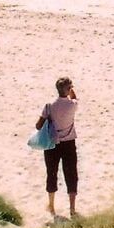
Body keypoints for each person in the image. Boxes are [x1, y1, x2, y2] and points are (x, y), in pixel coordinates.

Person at [35, 76, 79, 219]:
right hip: (69, 143)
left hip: (52, 143)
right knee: (71, 174)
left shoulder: (49, 106)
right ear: (68, 89)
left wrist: (49, 119)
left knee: (52, 173)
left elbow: (38, 125)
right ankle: (72, 208)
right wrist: (72, 91)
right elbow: (75, 98)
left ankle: (52, 205)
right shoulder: (72, 105)